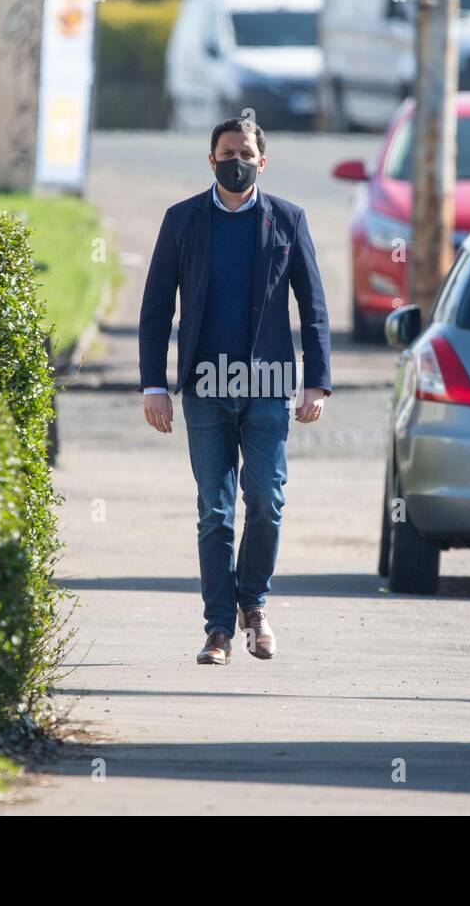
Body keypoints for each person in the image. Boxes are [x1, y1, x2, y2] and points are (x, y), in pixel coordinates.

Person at [138, 115, 332, 665]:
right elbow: (156, 310)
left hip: (268, 388)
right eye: (226, 153)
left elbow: (313, 308)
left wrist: (316, 381)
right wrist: (155, 385)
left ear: (261, 161)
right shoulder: (182, 222)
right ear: (211, 160)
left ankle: (256, 606)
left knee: (267, 503)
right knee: (215, 512)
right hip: (204, 387)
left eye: (245, 153)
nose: (236, 162)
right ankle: (219, 629)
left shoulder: (288, 221)